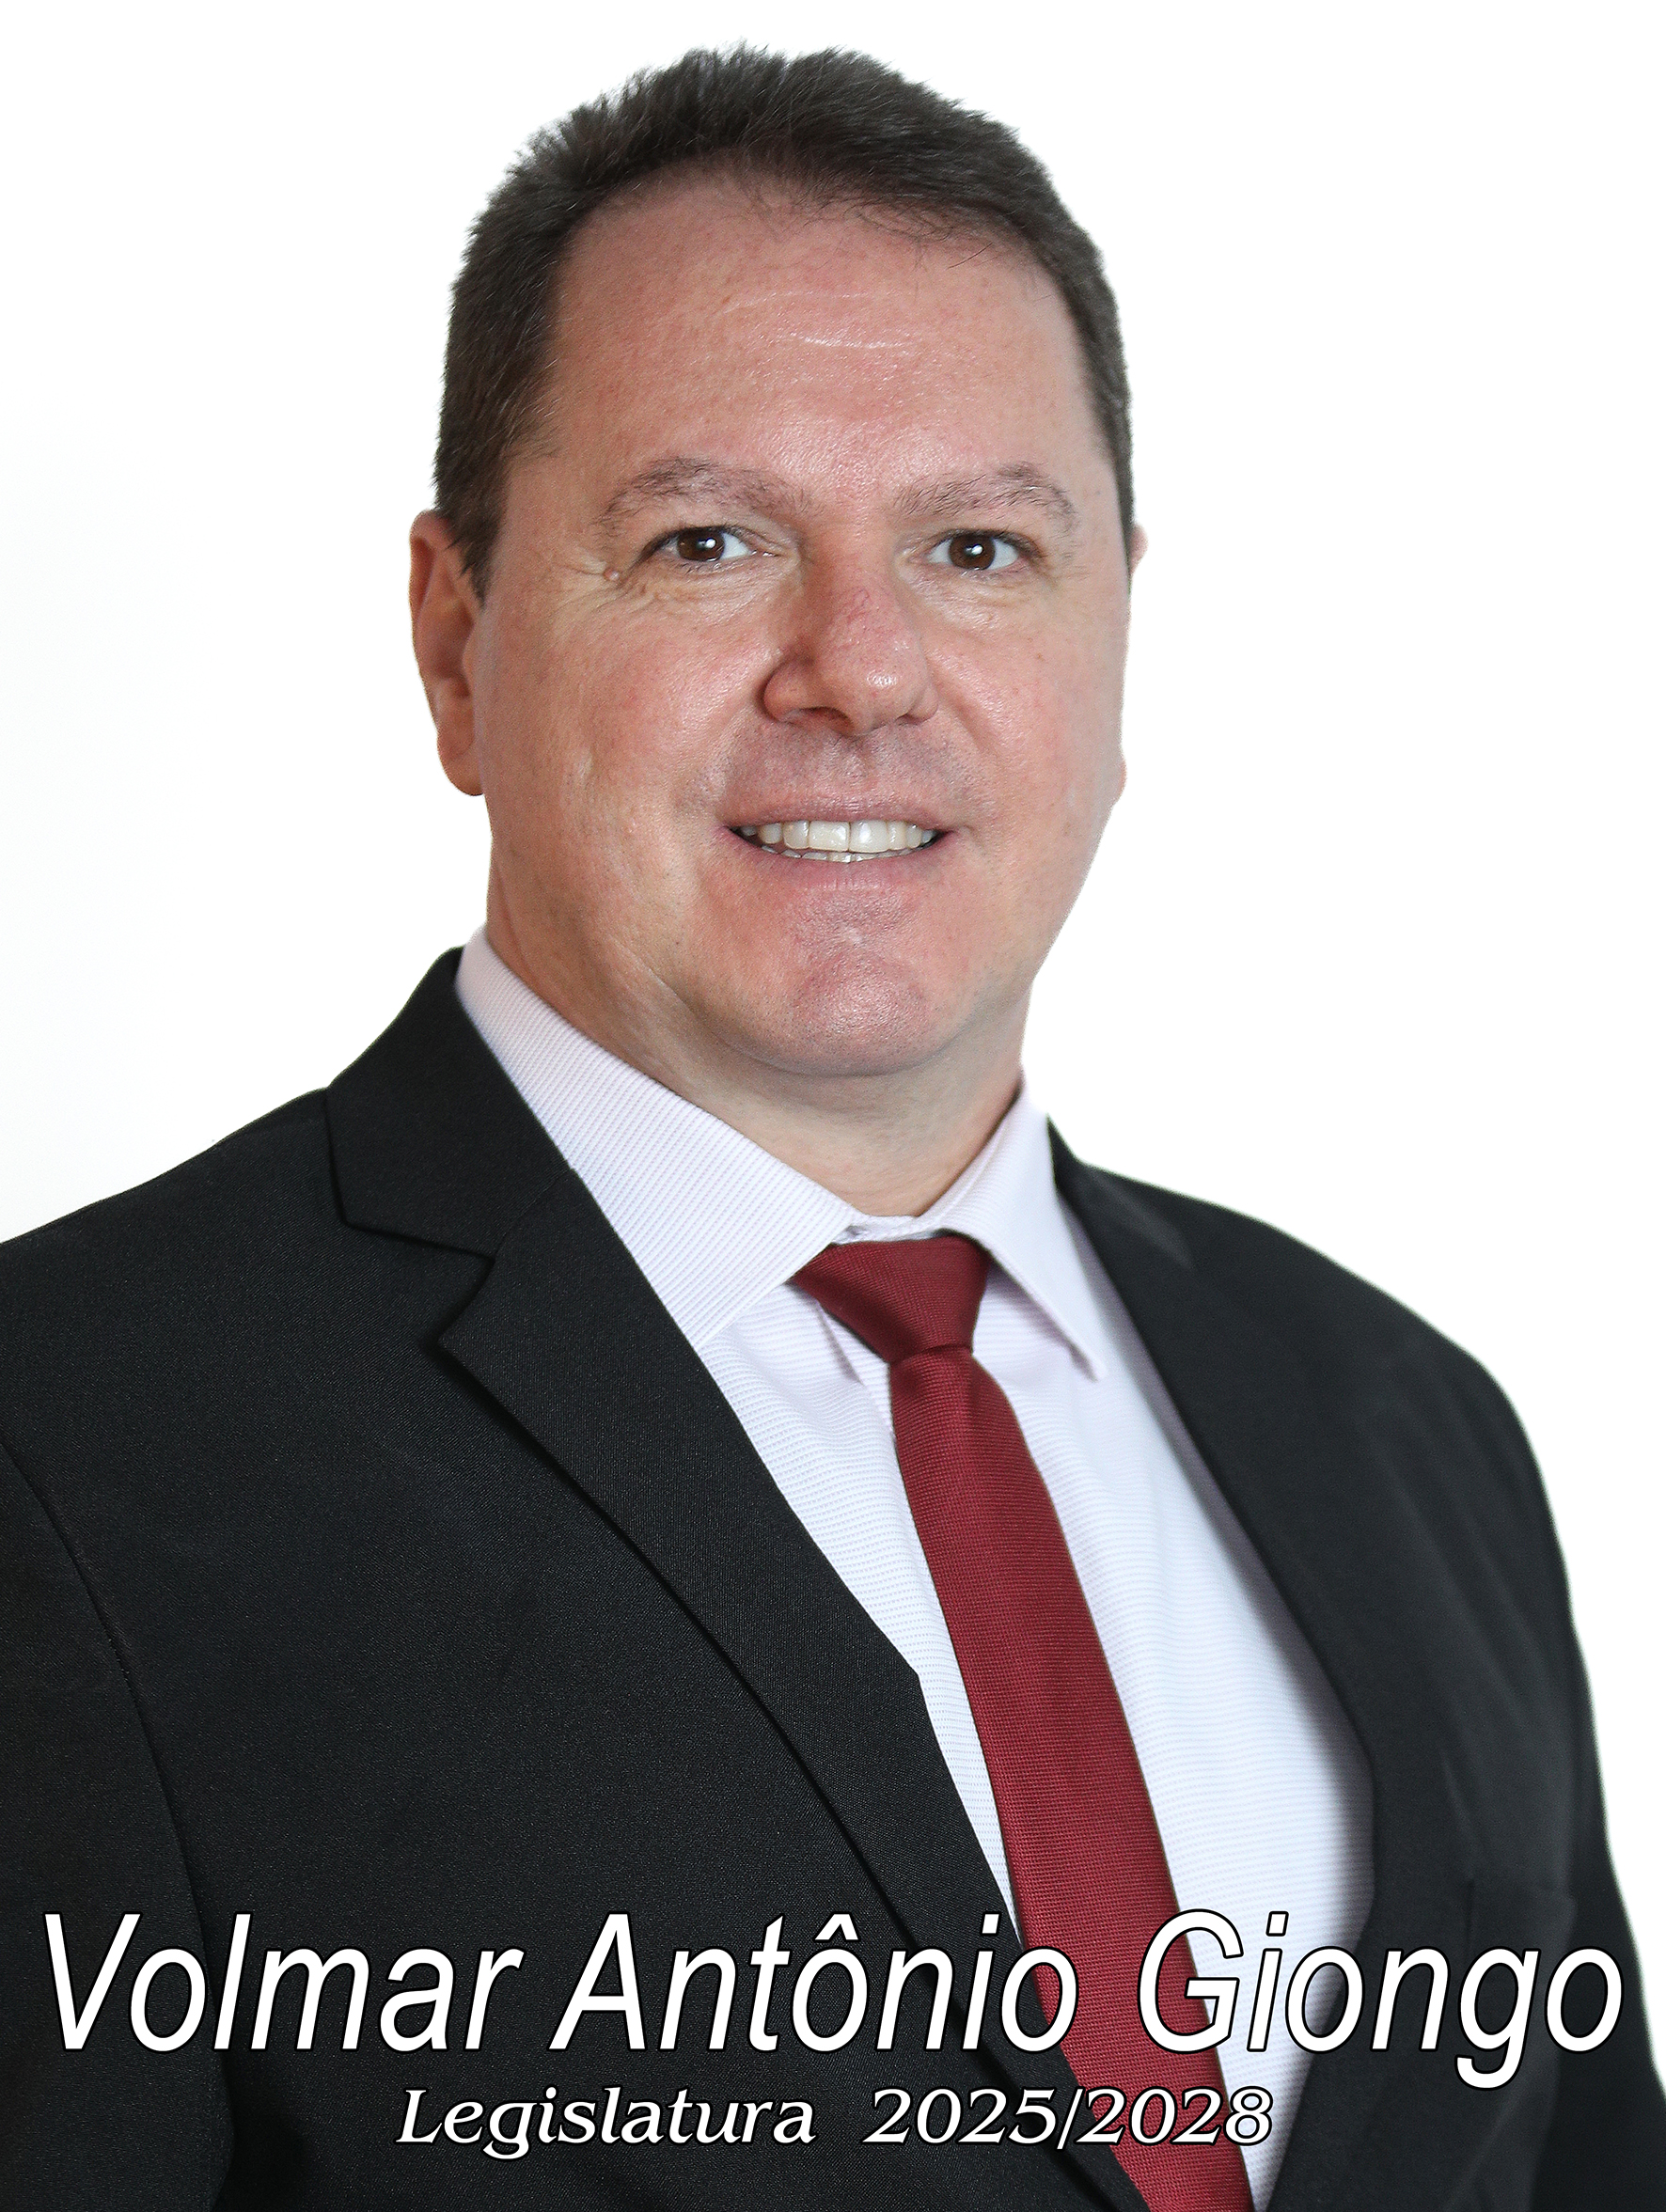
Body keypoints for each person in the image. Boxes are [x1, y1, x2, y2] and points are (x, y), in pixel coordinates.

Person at [1, 44, 1659, 2212]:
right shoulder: (69, 1444)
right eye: (707, 541)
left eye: (980, 547)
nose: (861, 668)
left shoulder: (1409, 1421)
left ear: (1115, 629)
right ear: (455, 642)